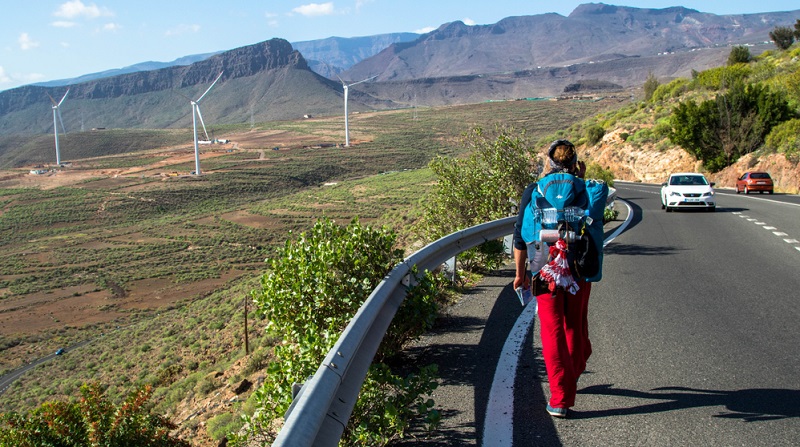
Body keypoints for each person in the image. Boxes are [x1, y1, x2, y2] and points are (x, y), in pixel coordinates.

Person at [512, 139, 598, 418]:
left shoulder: (534, 190)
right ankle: (574, 372)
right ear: (575, 164)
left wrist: (519, 273)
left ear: (548, 163)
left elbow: (519, 237)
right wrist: (580, 180)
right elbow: (594, 222)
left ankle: (560, 399)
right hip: (577, 267)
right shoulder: (585, 188)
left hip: (544, 268)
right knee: (575, 324)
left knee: (552, 330)